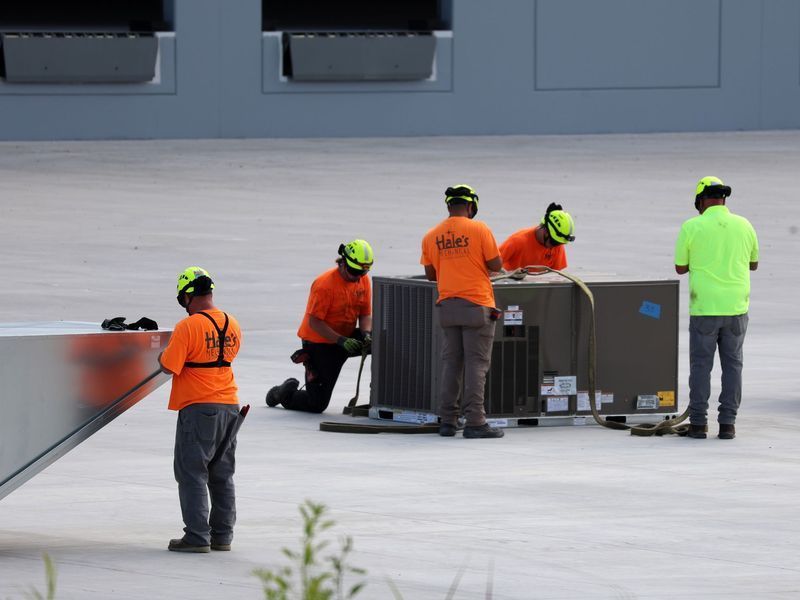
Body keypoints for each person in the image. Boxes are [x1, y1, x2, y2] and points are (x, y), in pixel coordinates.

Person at [159, 266, 244, 552]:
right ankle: (222, 535)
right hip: (230, 406)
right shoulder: (232, 322)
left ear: (188, 296)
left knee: (192, 471)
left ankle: (197, 536)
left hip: (198, 407)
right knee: (222, 472)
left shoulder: (188, 326)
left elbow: (169, 365)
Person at [674, 177, 759, 440]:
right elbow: (753, 264)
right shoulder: (745, 225)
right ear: (724, 199)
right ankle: (728, 425)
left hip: (705, 308)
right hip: (736, 307)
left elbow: (680, 267)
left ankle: (698, 424)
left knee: (701, 366)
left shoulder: (692, 226)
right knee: (733, 366)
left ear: (700, 200)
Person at [421, 184, 505, 439]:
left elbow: (430, 275)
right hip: (477, 306)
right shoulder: (480, 229)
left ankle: (448, 421)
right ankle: (476, 422)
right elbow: (496, 264)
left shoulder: (431, 235)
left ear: (448, 206)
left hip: (448, 307)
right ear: (471, 206)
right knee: (476, 365)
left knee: (452, 363)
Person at [266, 240, 374, 414]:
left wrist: (366, 333)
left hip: (345, 338)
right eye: (354, 271)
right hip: (320, 344)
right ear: (343, 262)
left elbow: (365, 314)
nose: (357, 276)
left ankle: (380, 398)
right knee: (316, 404)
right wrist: (340, 340)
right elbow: (314, 322)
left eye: (363, 272)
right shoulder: (324, 285)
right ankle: (283, 393)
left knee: (382, 341)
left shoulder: (363, 281)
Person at [499, 202, 575, 272]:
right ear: (545, 230)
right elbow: (490, 266)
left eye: (558, 243)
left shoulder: (557, 246)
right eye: (554, 242)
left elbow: (557, 276)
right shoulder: (517, 241)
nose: (554, 246)